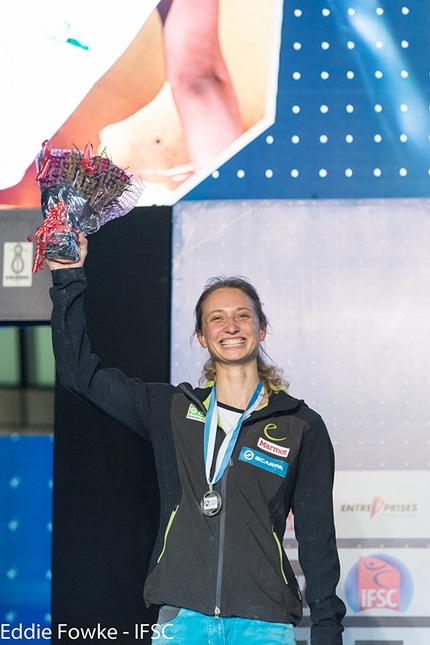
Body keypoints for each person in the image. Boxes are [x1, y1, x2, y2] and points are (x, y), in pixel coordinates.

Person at [46, 234, 346, 645]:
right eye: (216, 318)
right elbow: (82, 376)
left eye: (243, 315)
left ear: (262, 328)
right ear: (202, 337)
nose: (231, 326)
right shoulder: (170, 409)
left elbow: (317, 542)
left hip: (263, 626)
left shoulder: (300, 425)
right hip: (182, 622)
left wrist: (327, 632)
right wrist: (68, 278)